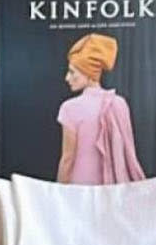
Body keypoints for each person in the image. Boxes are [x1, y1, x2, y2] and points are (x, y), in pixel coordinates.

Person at [56, 32, 146, 186]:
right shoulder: (119, 104)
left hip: (79, 190)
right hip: (113, 190)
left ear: (89, 73)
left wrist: (58, 192)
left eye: (72, 72)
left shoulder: (69, 108)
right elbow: (129, 155)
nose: (67, 78)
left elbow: (67, 159)